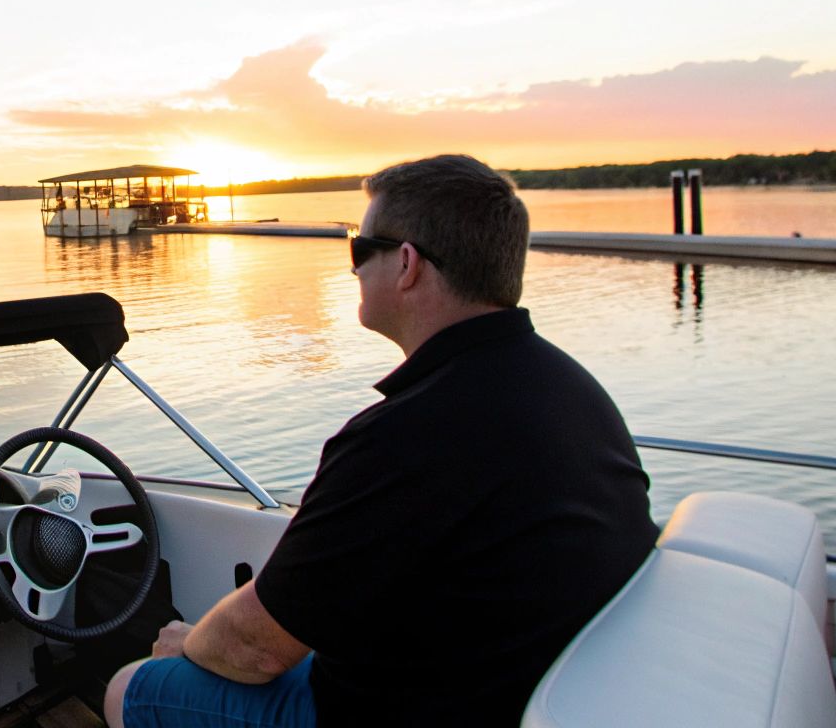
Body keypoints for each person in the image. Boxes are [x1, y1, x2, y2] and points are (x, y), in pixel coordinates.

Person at [104, 154, 659, 727]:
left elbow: (254, 649)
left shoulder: (406, 435)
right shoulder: (573, 391)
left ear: (407, 264)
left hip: (425, 709)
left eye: (358, 248)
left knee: (134, 687)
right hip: (535, 686)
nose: (352, 270)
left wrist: (189, 645)